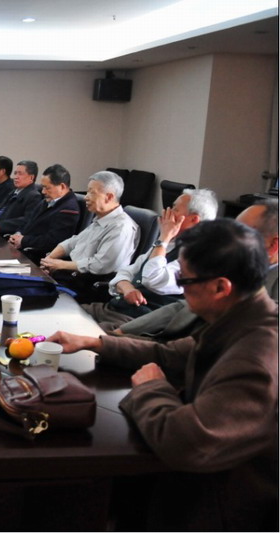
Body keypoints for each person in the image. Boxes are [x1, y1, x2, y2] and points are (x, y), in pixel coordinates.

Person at [47, 219, 278, 530]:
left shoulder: (256, 355)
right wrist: (95, 342)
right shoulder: (241, 318)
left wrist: (151, 389)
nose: (180, 288)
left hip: (217, 504)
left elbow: (189, 444)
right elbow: (168, 354)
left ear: (221, 287)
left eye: (184, 279)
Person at [109, 198, 279, 340]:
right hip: (171, 341)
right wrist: (122, 332)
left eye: (243, 234)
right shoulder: (234, 265)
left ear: (273, 245)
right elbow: (181, 308)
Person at [84, 188, 217, 325]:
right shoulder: (170, 244)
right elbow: (127, 271)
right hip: (112, 309)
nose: (167, 212)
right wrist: (127, 288)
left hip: (137, 322)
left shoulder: (199, 258)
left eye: (175, 210)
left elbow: (153, 279)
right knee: (71, 314)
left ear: (194, 220)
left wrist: (164, 237)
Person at [39, 170, 139, 301]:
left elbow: (100, 265)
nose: (86, 197)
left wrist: (60, 265)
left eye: (92, 192)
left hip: (87, 286)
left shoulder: (121, 227)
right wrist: (49, 261)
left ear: (109, 197)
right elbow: (72, 242)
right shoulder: (101, 219)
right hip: (70, 277)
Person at [7, 164, 80, 261]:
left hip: (37, 257)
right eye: (42, 187)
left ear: (62, 187)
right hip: (23, 249)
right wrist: (17, 234)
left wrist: (23, 241)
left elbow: (53, 241)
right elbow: (28, 221)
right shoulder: (48, 200)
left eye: (47, 188)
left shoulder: (69, 210)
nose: (43, 192)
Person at [0, 160, 43, 234]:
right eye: (15, 173)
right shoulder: (14, 191)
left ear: (31, 177)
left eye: (20, 174)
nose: (16, 177)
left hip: (2, 233)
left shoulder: (34, 196)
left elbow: (27, 220)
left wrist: (1, 225)